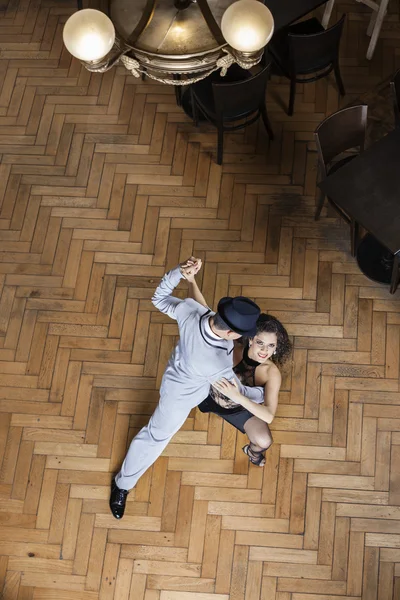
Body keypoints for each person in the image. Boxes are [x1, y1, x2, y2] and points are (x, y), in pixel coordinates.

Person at [109, 257, 266, 519]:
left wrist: (182, 275)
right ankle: (122, 484)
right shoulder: (213, 361)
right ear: (230, 334)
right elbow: (235, 391)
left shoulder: (192, 312)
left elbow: (161, 299)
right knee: (155, 437)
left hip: (197, 383)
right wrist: (263, 393)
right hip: (179, 395)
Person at [186, 272, 291, 467]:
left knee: (264, 441)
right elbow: (205, 313)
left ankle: (252, 453)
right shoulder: (232, 343)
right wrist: (192, 280)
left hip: (238, 409)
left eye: (271, 346)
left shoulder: (271, 373)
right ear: (251, 338)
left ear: (276, 348)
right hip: (206, 393)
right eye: (260, 342)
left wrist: (237, 396)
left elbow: (268, 415)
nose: (264, 351)